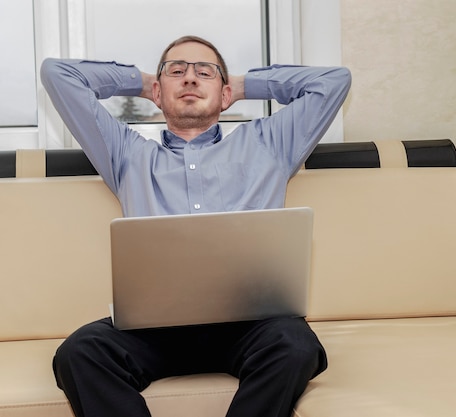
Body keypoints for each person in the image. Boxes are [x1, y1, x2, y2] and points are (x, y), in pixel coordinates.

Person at [40, 35, 351, 417]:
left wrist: (238, 84)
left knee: (295, 344)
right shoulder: (127, 154)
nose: (189, 79)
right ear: (158, 91)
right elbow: (58, 73)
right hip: (154, 332)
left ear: (224, 95)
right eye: (177, 72)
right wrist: (146, 82)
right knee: (80, 352)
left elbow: (334, 81)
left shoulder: (269, 143)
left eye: (204, 72)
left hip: (250, 327)